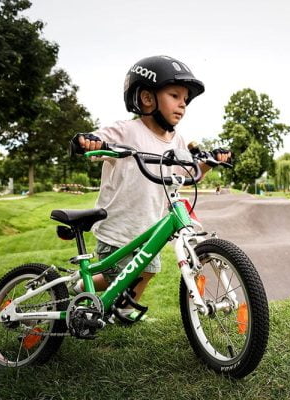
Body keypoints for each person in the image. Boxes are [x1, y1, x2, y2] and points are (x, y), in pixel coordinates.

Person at [70, 55, 231, 322]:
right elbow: (99, 141)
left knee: (148, 270)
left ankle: (121, 309)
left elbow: (185, 173)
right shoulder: (126, 131)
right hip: (118, 227)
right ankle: (78, 285)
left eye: (186, 99)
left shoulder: (177, 139)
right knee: (116, 274)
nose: (183, 104)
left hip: (150, 227)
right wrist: (91, 141)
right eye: (175, 95)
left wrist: (208, 163)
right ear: (147, 98)